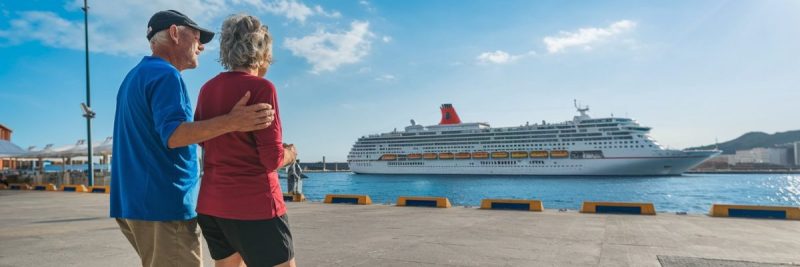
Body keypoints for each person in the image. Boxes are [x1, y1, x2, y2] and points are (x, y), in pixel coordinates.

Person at [110, 10, 276, 267]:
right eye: (198, 38)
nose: (201, 47)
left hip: (131, 204)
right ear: (175, 33)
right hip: (162, 205)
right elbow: (174, 135)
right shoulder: (166, 75)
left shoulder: (135, 76)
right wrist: (233, 122)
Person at [194, 14, 297, 267]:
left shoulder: (207, 89)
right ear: (263, 50)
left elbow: (202, 139)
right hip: (255, 206)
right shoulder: (263, 88)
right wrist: (291, 153)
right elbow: (271, 159)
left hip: (212, 205)